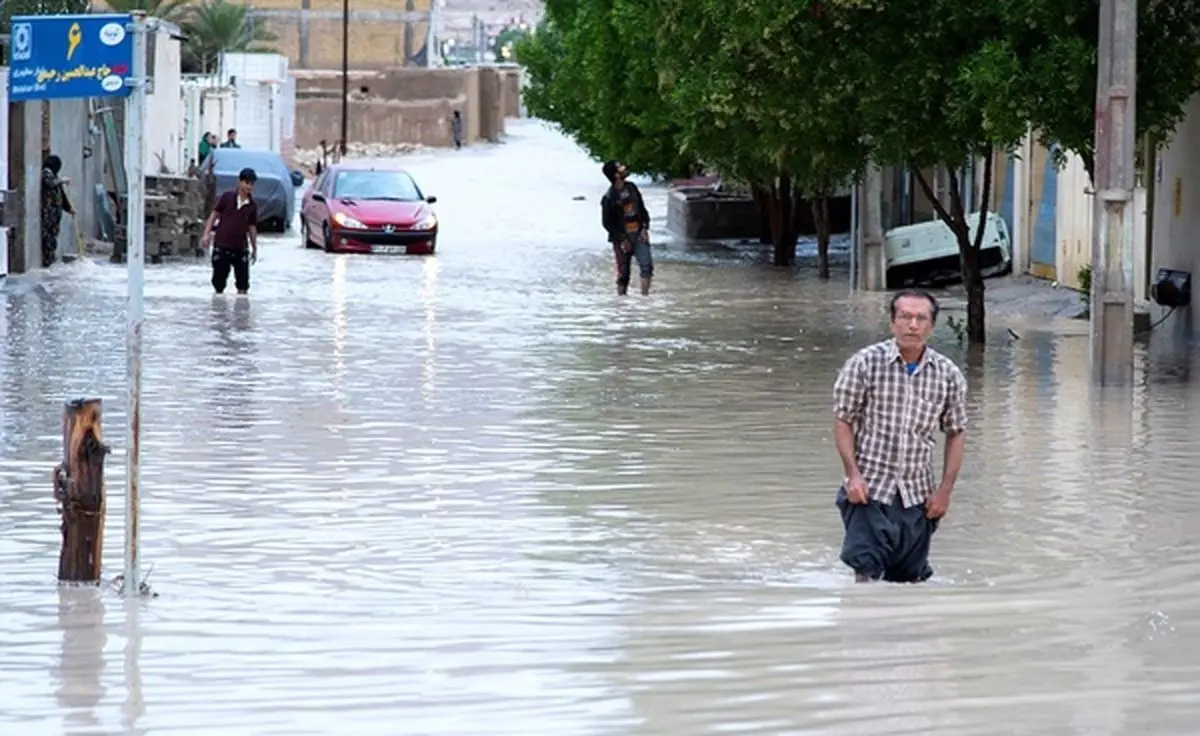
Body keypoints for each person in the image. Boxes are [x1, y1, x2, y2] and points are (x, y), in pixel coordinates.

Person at [831, 289, 968, 583]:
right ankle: (860, 626)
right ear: (892, 323)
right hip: (869, 491)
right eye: (905, 317)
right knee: (865, 576)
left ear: (931, 326)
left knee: (909, 583)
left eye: (921, 318)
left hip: (918, 497)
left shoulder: (948, 374)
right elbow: (843, 420)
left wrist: (945, 491)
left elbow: (956, 433)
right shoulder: (865, 363)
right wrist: (852, 475)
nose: (913, 325)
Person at [201, 167, 259, 295]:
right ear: (240, 182)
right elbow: (214, 215)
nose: (249, 186)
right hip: (222, 245)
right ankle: (218, 311)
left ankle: (242, 312)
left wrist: (254, 248)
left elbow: (252, 227)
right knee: (218, 284)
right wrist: (206, 234)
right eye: (247, 182)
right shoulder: (227, 197)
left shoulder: (252, 206)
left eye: (252, 184)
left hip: (240, 248)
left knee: (243, 285)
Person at [600, 159, 653, 296]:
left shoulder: (632, 187)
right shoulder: (608, 197)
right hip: (622, 239)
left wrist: (644, 228)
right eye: (620, 167)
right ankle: (622, 304)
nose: (624, 168)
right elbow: (607, 223)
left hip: (639, 233)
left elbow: (642, 209)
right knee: (623, 273)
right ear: (616, 175)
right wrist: (621, 238)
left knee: (647, 266)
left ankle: (645, 298)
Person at [40, 154, 74, 268]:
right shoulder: (46, 172)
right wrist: (62, 180)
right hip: (48, 215)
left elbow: (62, 196)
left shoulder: (54, 175)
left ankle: (51, 259)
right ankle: (47, 261)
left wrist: (69, 208)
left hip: (55, 216)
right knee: (48, 238)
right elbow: (50, 183)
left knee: (53, 238)